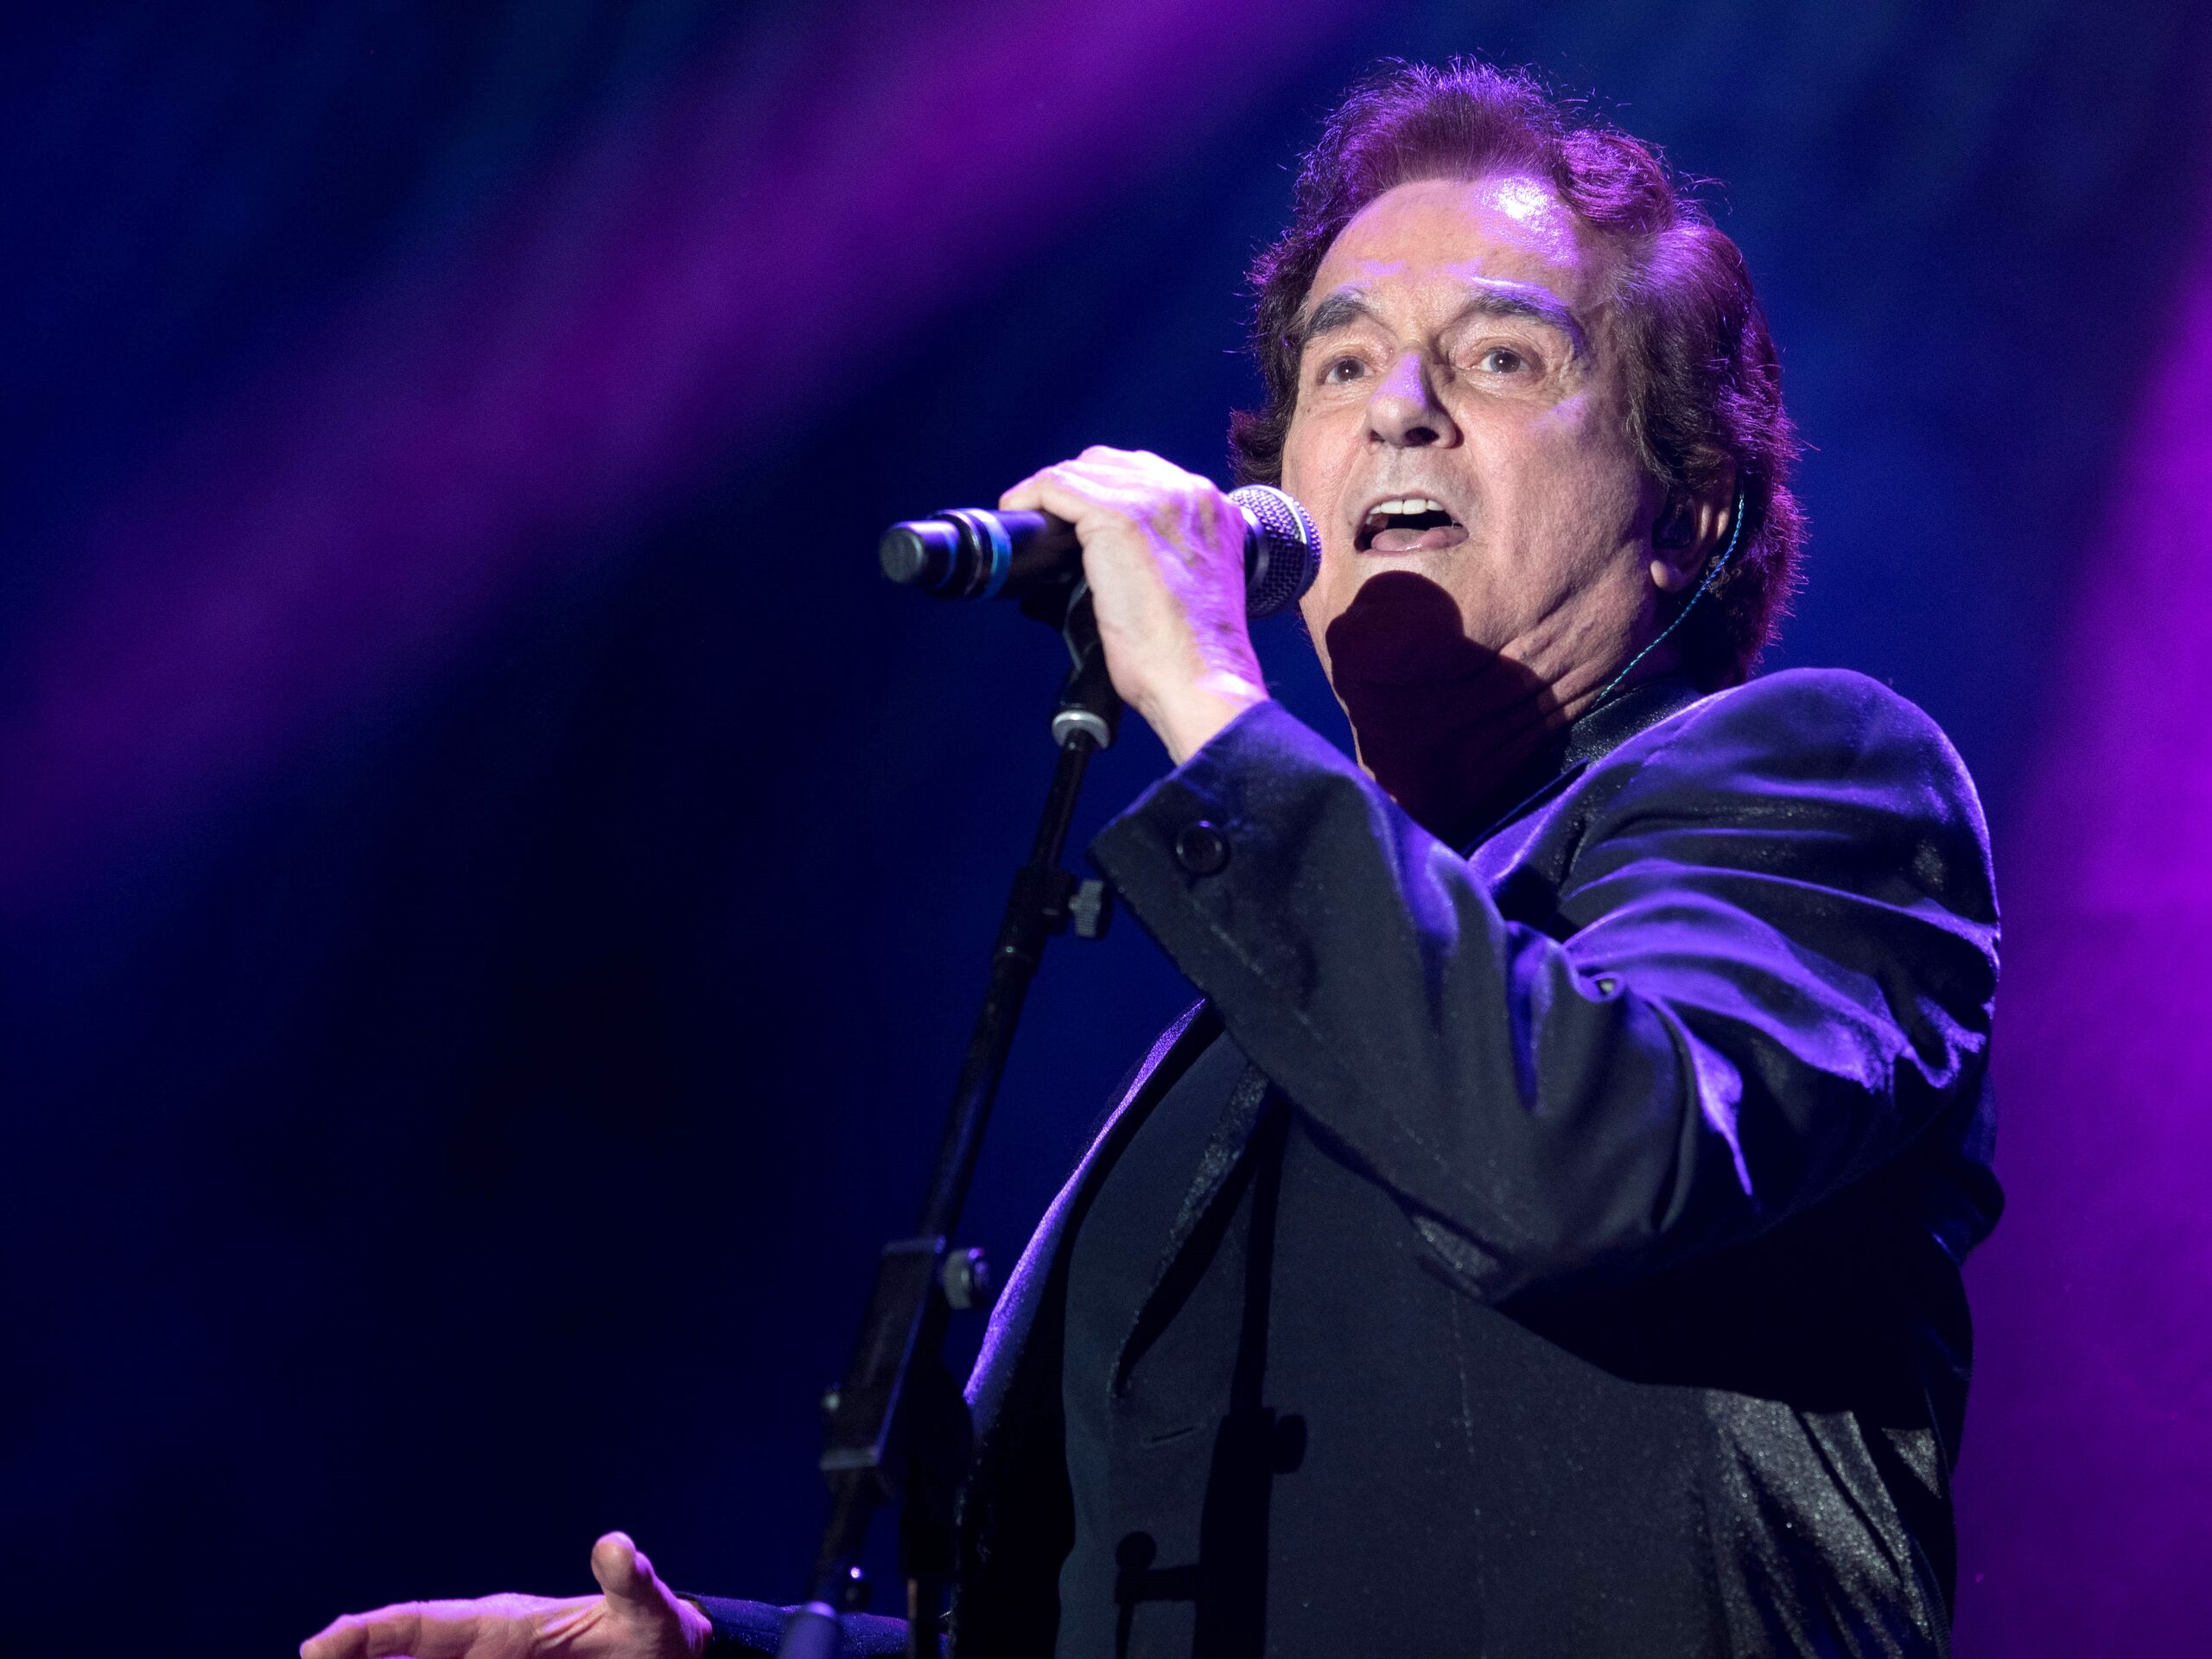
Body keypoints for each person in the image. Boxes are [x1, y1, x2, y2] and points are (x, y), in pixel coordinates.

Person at [304, 58, 2000, 1659]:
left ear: (1691, 506)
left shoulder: (1816, 781)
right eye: (1340, 366)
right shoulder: (1293, 988)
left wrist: (1201, 692)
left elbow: (1593, 1166)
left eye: (1497, 358)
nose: (1398, 412)